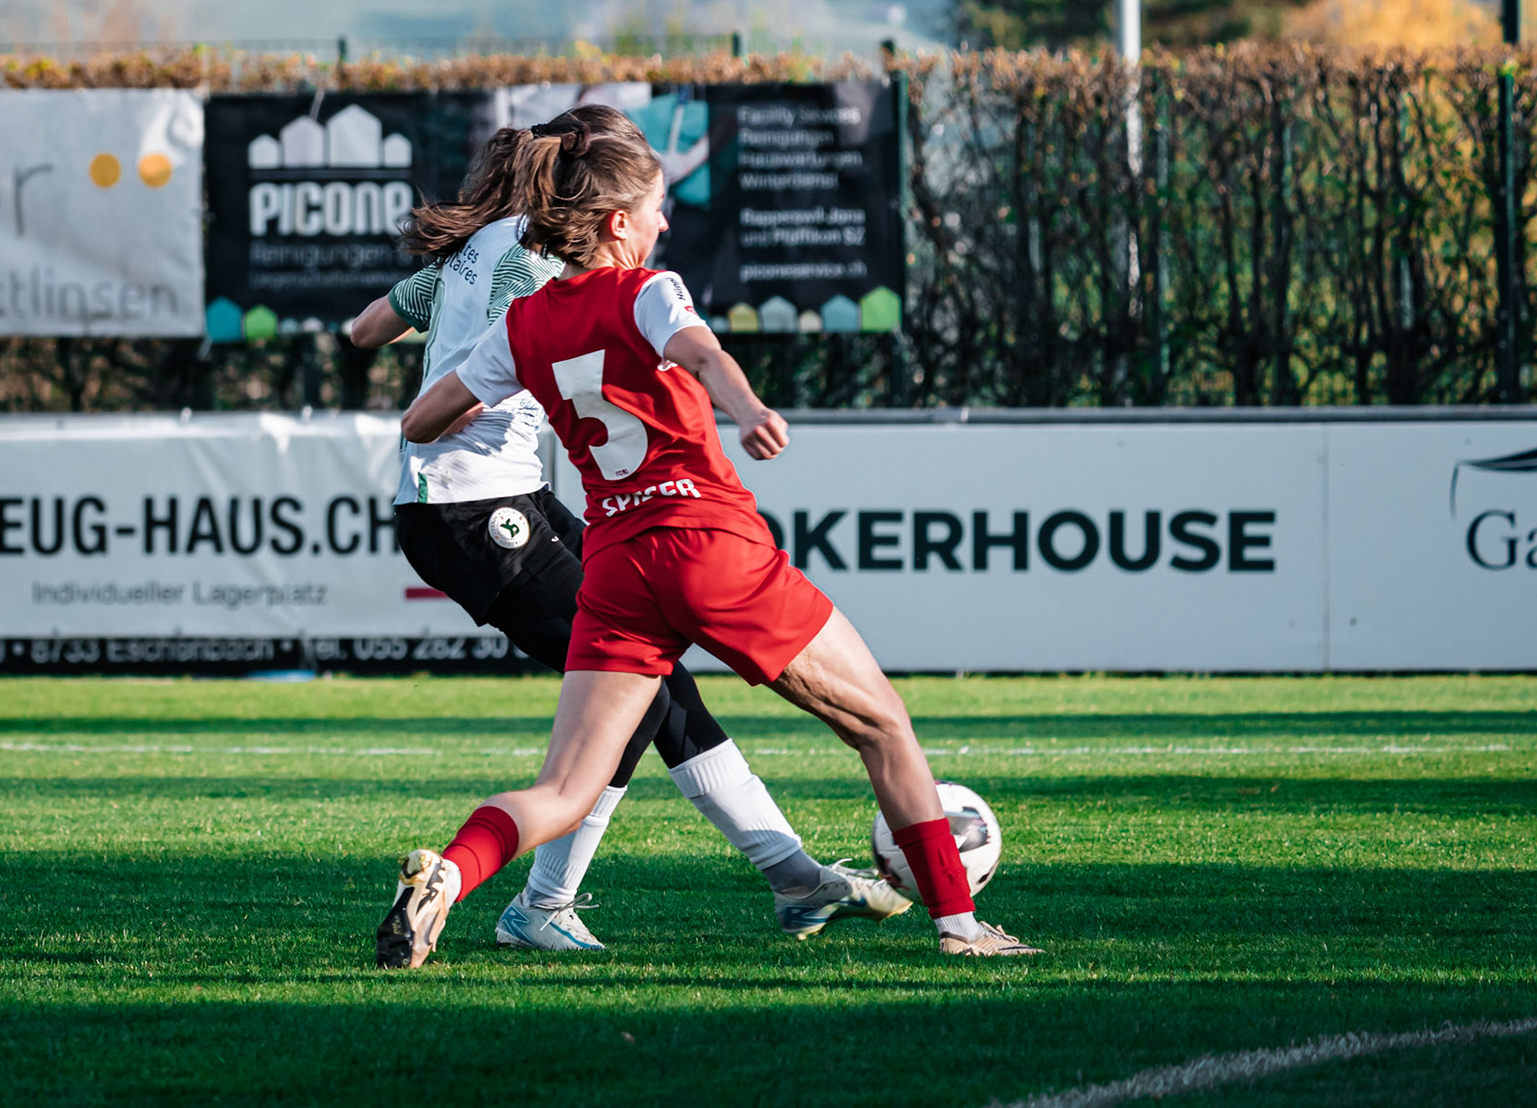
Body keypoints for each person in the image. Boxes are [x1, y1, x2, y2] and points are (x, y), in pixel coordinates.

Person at [375, 109, 1039, 968]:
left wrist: (512, 383)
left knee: (567, 789)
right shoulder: (650, 288)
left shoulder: (523, 325)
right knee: (883, 726)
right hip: (705, 542)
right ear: (619, 223)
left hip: (615, 565)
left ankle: (450, 876)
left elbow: (421, 421)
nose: (663, 223)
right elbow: (698, 349)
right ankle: (960, 926)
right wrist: (749, 406)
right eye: (656, 209)